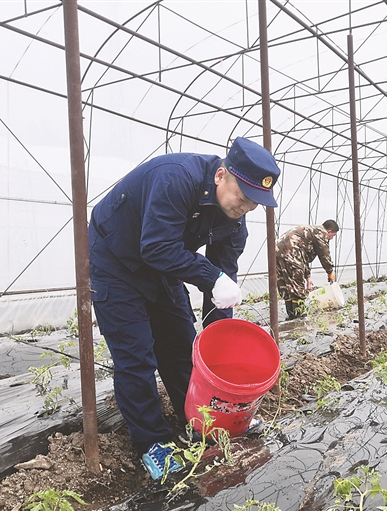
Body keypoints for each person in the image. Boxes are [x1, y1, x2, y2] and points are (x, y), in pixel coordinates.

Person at [88, 137, 280, 479]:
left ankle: (200, 421)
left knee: (180, 345)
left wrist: (220, 337)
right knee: (137, 355)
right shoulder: (175, 177)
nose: (246, 207)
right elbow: (156, 246)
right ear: (221, 176)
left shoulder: (235, 221)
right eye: (243, 196)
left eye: (255, 203)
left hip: (161, 267)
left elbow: (223, 276)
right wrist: (211, 276)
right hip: (117, 260)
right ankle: (152, 441)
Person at [276, 220, 339, 319]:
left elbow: (303, 258)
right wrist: (330, 271)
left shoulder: (310, 231)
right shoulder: (321, 232)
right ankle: (299, 318)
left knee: (286, 286)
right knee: (297, 287)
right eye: (333, 235)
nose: (331, 238)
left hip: (277, 252)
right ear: (329, 231)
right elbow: (324, 255)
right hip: (291, 252)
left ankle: (292, 316)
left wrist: (308, 277)